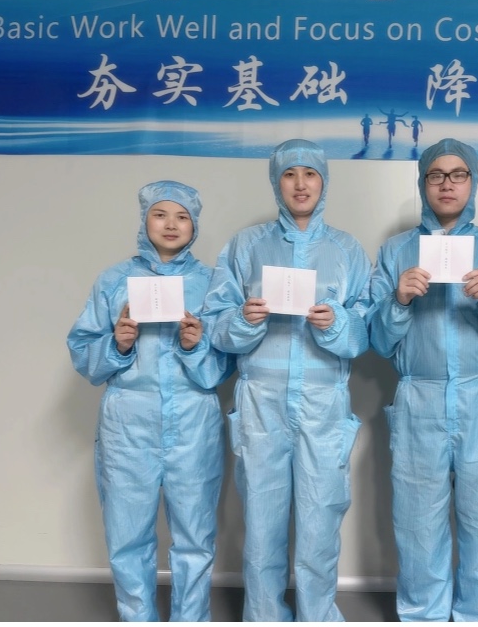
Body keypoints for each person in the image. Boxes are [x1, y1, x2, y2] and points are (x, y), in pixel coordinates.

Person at [368, 138, 478, 621]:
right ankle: (423, 614)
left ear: (473, 181)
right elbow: (377, 341)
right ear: (423, 182)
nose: (447, 184)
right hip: (418, 396)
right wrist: (399, 300)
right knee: (417, 520)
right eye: (436, 175)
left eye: (458, 174)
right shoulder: (396, 251)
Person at [204, 139, 372, 621]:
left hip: (323, 402)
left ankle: (317, 616)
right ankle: (264, 616)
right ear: (276, 183)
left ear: (324, 182)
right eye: (289, 174)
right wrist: (244, 319)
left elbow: (366, 329)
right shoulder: (246, 246)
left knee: (321, 519)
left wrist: (336, 323)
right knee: (262, 522)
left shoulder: (346, 250)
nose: (300, 184)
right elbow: (216, 324)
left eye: (310, 174)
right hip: (261, 401)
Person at [67, 181, 233, 622]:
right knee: (128, 535)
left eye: (182, 216)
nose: (171, 224)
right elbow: (83, 352)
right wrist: (118, 344)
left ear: (195, 225)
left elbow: (223, 367)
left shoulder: (212, 284)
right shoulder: (114, 280)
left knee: (195, 534)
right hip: (129, 422)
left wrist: (196, 346)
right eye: (161, 214)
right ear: (144, 221)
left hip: (193, 419)